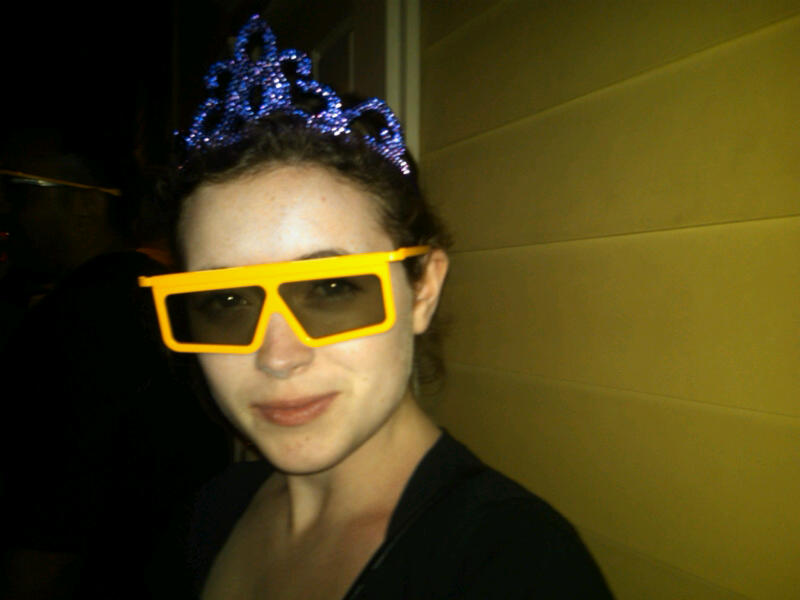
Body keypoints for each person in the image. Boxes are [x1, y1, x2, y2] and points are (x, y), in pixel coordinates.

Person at [144, 15, 613, 599]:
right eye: (226, 300)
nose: (277, 357)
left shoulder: (514, 566)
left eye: (331, 289)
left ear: (423, 291)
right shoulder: (211, 512)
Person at [0, 135, 231, 599]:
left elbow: (57, 498)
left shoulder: (81, 316)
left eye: (23, 192)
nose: (7, 211)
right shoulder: (151, 294)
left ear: (87, 204)